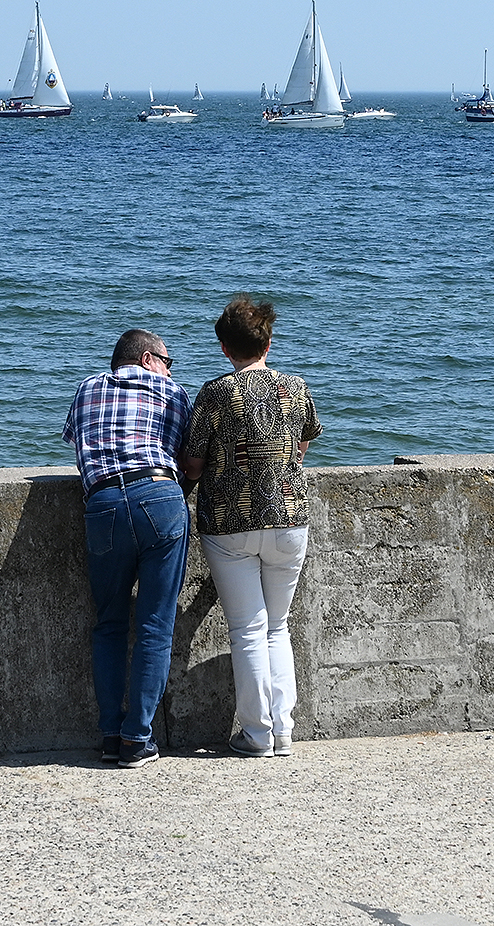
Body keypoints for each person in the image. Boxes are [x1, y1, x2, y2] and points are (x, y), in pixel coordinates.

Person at [180, 295, 322, 757]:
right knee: (277, 626)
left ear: (224, 347)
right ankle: (282, 732)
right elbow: (302, 446)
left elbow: (196, 465)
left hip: (229, 522)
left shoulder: (214, 393)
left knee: (247, 628)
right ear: (269, 339)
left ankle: (256, 734)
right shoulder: (295, 387)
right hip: (289, 517)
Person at [61, 329, 193, 770]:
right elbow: (182, 454)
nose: (171, 370)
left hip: (102, 505)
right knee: (155, 624)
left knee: (109, 623)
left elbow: (76, 444)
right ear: (148, 358)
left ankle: (110, 737)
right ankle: (138, 739)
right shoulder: (173, 393)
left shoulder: (86, 388)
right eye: (168, 361)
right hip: (158, 495)